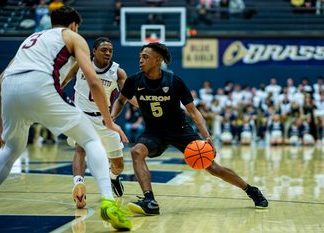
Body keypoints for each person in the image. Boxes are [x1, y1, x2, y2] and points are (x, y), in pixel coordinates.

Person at [0, 7, 131, 230]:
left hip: (10, 89)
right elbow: (94, 81)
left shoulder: (30, 39)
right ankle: (108, 203)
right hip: (40, 85)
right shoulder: (73, 36)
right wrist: (109, 121)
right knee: (91, 140)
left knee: (12, 149)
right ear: (74, 25)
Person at [111, 42, 268, 215]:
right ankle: (150, 201)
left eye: (145, 57)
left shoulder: (173, 81)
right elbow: (121, 100)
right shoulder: (134, 80)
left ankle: (251, 190)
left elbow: (193, 112)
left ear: (157, 60)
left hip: (180, 130)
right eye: (140, 56)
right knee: (136, 152)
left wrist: (207, 138)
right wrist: (112, 117)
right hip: (154, 132)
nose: (140, 60)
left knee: (213, 167)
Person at [61, 37, 136, 208]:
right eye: (104, 50)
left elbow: (129, 97)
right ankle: (78, 184)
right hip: (81, 116)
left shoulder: (118, 72)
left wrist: (146, 104)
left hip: (104, 120)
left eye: (110, 50)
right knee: (80, 149)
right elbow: (65, 79)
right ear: (94, 51)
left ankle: (113, 177)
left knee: (118, 165)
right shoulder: (81, 63)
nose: (108, 53)